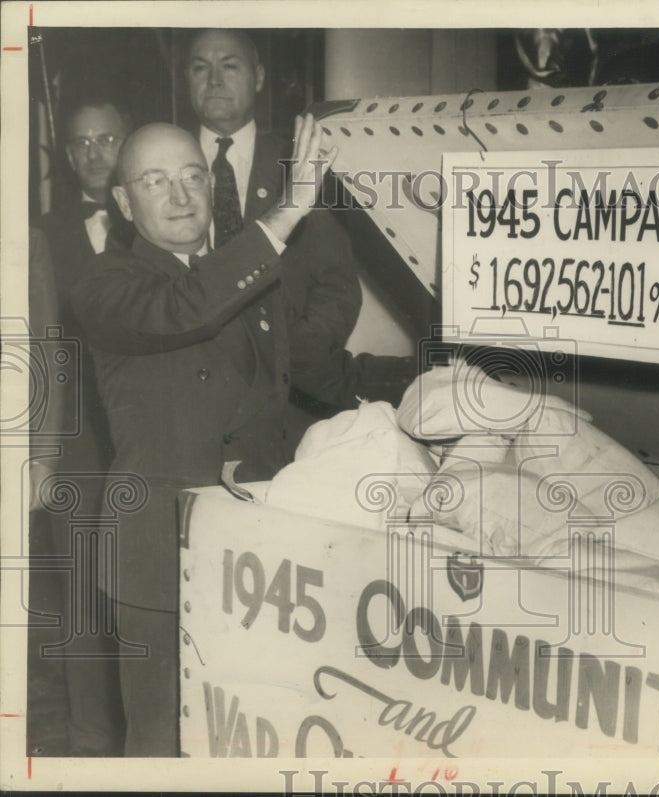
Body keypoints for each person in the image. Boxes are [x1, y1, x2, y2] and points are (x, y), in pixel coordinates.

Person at [71, 118, 412, 756]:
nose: (179, 195)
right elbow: (184, 308)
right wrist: (283, 219)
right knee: (162, 736)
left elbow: (312, 369)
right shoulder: (105, 285)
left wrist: (421, 385)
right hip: (158, 553)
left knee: (247, 728)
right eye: (154, 181)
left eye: (192, 175)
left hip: (256, 554)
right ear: (123, 202)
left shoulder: (253, 277)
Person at [184, 28, 398, 425]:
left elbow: (337, 286)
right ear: (186, 79)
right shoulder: (165, 165)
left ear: (260, 77)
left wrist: (296, 355)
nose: (214, 79)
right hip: (193, 401)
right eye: (201, 67)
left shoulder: (301, 162)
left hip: (289, 406)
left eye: (229, 66)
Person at [36, 94, 133, 756]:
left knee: (144, 587)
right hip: (77, 440)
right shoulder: (41, 233)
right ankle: (90, 738)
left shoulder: (158, 217)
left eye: (107, 139)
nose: (95, 153)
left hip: (147, 433)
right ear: (67, 156)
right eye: (82, 144)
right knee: (81, 594)